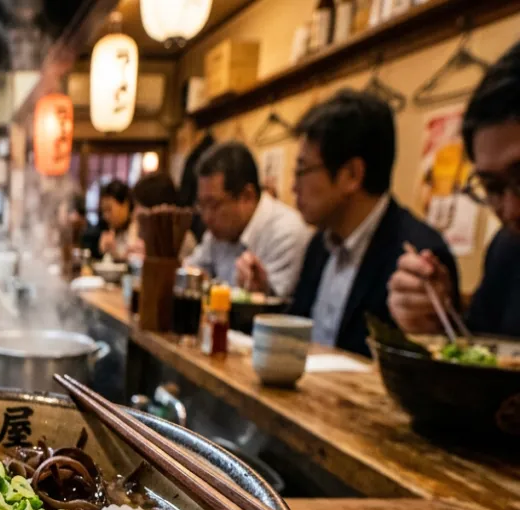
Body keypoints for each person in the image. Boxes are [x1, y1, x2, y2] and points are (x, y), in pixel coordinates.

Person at [287, 89, 459, 356]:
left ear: (352, 175)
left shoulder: (416, 260)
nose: (293, 186)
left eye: (302, 171)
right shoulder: (319, 246)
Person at [389, 40, 520, 338]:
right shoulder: (508, 251)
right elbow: (480, 364)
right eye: (492, 187)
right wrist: (434, 326)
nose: (512, 210)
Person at [186, 141, 311, 298]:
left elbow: (279, 310)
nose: (206, 217)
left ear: (247, 196)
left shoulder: (286, 233)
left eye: (214, 205)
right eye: (201, 206)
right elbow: (192, 270)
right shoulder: (217, 234)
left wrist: (263, 290)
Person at [126, 171, 197, 263]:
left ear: (157, 208)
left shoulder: (184, 239)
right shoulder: (137, 229)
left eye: (138, 206)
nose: (134, 213)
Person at [84, 180, 133, 260]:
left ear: (125, 205)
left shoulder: (139, 229)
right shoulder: (105, 228)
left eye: (109, 209)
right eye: (103, 211)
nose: (105, 216)